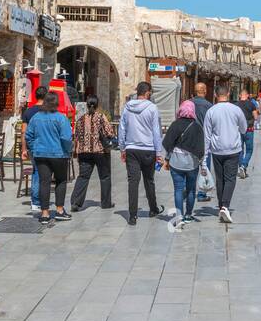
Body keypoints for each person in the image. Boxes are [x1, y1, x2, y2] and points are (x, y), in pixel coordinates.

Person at [117, 81, 166, 225]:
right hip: (148, 149)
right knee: (149, 180)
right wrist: (158, 152)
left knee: (133, 182)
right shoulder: (152, 108)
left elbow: (122, 128)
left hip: (132, 149)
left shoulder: (127, 107)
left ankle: (132, 215)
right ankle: (153, 208)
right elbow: (156, 131)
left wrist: (122, 148)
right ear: (147, 93)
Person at [24, 92, 74, 224]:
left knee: (44, 182)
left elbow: (28, 135)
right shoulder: (61, 118)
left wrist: (34, 148)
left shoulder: (35, 118)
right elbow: (66, 138)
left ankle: (45, 213)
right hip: (58, 154)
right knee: (61, 181)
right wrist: (67, 150)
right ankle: (59, 210)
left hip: (41, 154)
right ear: (56, 103)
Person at [204, 85, 248, 223]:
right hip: (233, 149)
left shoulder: (211, 111)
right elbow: (244, 128)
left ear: (216, 95)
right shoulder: (236, 110)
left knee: (220, 178)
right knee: (230, 178)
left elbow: (207, 135)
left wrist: (204, 157)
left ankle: (221, 205)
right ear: (228, 94)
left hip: (217, 150)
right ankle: (225, 205)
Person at [162, 100, 205, 226]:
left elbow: (168, 143)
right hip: (192, 163)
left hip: (176, 162)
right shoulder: (197, 127)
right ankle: (188, 215)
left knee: (178, 189)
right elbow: (201, 148)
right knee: (191, 190)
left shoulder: (175, 125)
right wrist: (201, 162)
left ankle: (179, 217)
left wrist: (167, 159)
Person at [70, 95, 115, 211]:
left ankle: (75, 202)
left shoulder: (80, 119)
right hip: (100, 152)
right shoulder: (100, 117)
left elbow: (76, 136)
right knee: (105, 177)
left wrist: (76, 151)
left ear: (86, 104)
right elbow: (109, 132)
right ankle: (106, 203)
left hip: (84, 152)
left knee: (83, 177)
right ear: (97, 105)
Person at [21, 86, 48, 214]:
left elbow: (23, 132)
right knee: (40, 172)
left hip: (32, 146)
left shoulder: (28, 112)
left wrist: (24, 149)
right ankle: (37, 201)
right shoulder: (48, 111)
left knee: (36, 171)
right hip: (45, 146)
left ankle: (37, 200)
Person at [236, 90, 257, 177]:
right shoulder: (251, 104)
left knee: (240, 149)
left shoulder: (236, 105)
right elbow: (255, 116)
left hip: (239, 130)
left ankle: (241, 165)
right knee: (249, 150)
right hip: (249, 129)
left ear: (240, 95)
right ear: (247, 95)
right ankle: (244, 165)